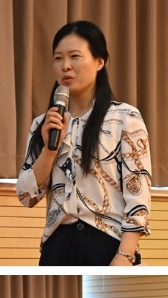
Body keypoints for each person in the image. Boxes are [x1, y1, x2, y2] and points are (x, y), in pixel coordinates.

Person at [16, 21, 152, 266]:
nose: (65, 66)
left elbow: (138, 193)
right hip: (57, 249)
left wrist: (125, 255)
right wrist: (49, 150)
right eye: (58, 58)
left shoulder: (124, 117)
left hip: (109, 245)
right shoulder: (43, 124)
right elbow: (27, 196)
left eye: (75, 56)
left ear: (99, 62)